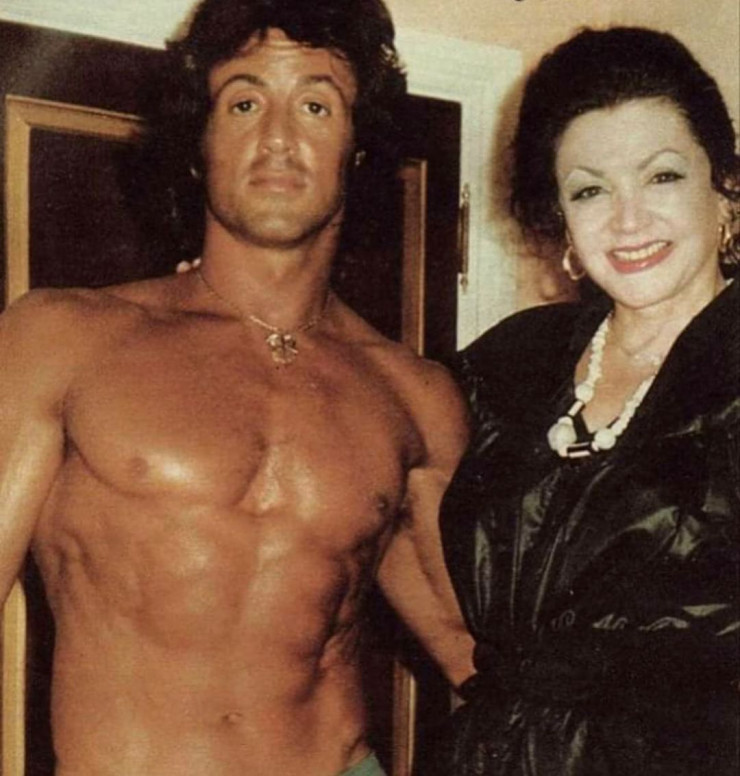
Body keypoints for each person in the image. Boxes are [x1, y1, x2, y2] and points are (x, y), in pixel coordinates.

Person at [0, 1, 475, 774]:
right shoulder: (61, 339)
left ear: (357, 148)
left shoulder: (415, 397)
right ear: (200, 143)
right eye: (245, 103)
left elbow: (470, 651)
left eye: (316, 105)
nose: (278, 137)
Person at [433, 26, 740, 776]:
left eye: (661, 176)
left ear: (725, 188)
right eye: (590, 189)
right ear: (561, 218)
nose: (627, 221)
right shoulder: (511, 363)